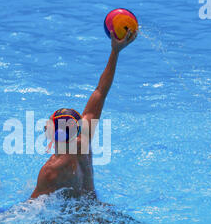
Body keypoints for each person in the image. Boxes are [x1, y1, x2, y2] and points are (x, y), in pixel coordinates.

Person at [31, 30, 137, 199]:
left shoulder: (51, 170)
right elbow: (100, 91)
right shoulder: (84, 138)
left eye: (48, 125)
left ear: (55, 134)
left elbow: (29, 209)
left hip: (73, 222)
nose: (45, 126)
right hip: (97, 209)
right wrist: (115, 51)